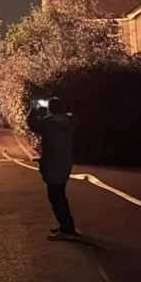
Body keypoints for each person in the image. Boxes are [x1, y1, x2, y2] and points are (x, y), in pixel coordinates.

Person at [28, 97, 79, 241]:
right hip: (65, 163)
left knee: (56, 197)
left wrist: (34, 108)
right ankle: (66, 225)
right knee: (60, 195)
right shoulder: (69, 122)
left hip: (52, 165)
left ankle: (67, 228)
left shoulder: (48, 124)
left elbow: (32, 124)